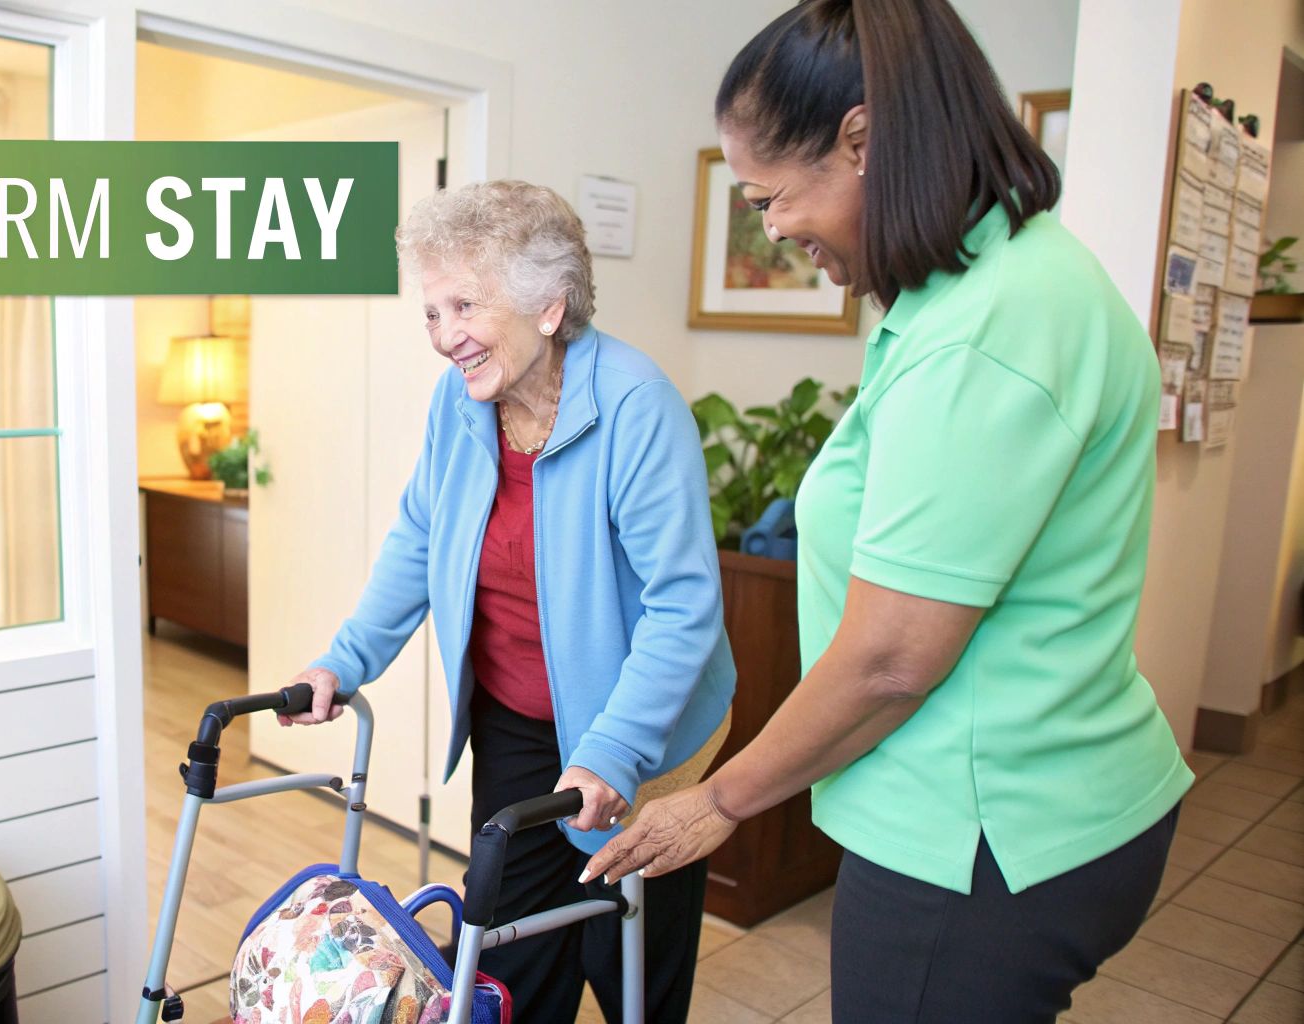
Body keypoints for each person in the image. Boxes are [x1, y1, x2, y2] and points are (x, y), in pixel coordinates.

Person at [585, 2, 1193, 1021]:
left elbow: (888, 656)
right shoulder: (983, 287)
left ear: (860, 139)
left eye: (770, 195)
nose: (771, 227)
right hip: (1032, 797)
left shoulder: (983, 329)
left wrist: (719, 799)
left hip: (983, 830)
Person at [280, 179, 735, 1022]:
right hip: (519, 723)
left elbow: (683, 610)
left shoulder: (635, 408)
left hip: (643, 732)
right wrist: (342, 661)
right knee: (514, 952)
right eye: (432, 311)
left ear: (550, 308)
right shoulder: (460, 404)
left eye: (466, 306)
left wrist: (613, 752)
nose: (446, 336)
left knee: (628, 958)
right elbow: (419, 539)